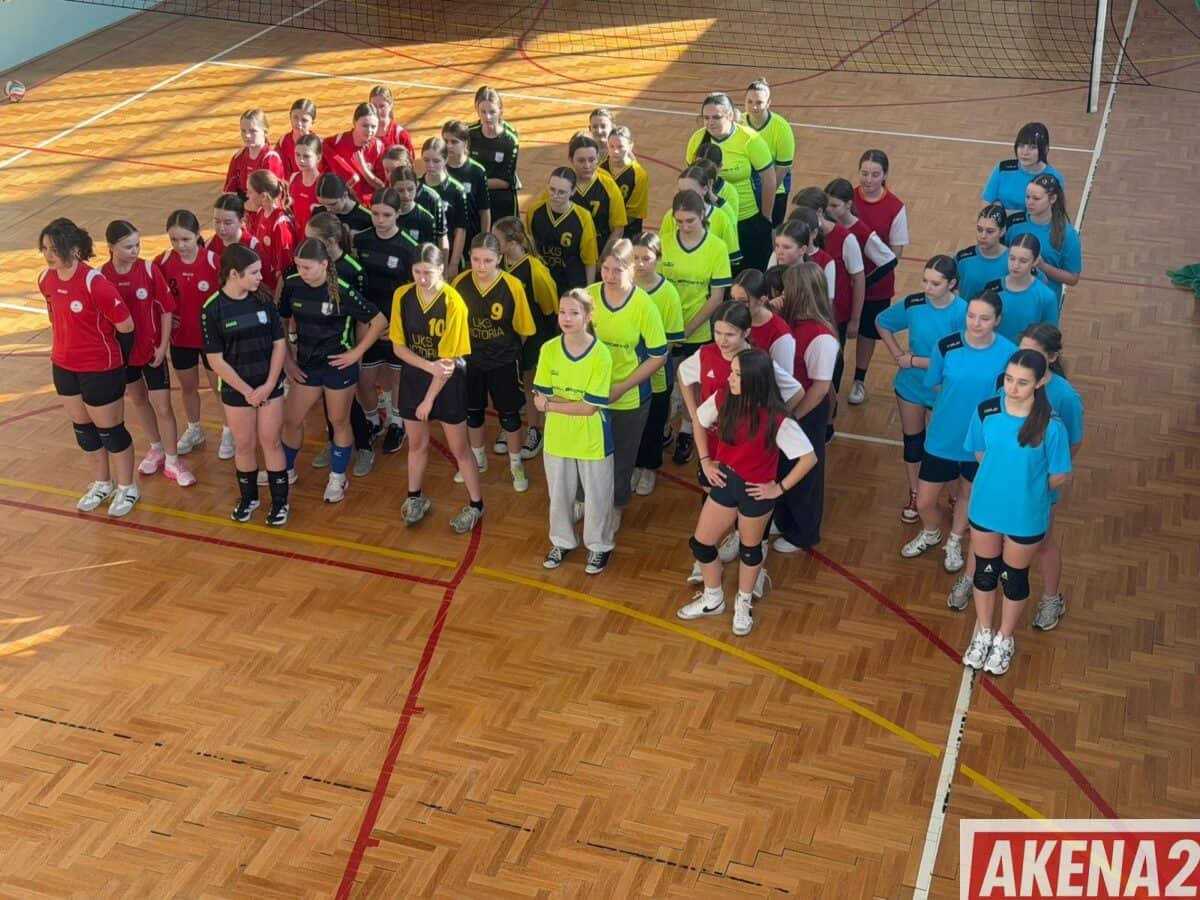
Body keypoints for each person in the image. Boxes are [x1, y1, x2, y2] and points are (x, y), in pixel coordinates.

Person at [676, 348, 816, 636]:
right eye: (732, 371)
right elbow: (699, 421)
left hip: (755, 491)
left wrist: (778, 488)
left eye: (737, 374)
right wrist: (706, 461)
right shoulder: (724, 398)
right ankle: (713, 598)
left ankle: (743, 603)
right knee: (701, 544)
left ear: (754, 380)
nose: (730, 378)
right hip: (726, 482)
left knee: (749, 551)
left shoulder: (778, 419)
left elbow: (808, 458)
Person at [960, 349, 1072, 676]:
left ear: (1040, 382)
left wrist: (1028, 489)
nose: (1012, 387)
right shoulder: (987, 410)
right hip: (985, 506)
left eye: (1022, 382)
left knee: (1013, 578)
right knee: (985, 572)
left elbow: (1059, 474)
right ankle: (984, 633)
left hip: (1025, 514)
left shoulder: (1051, 426)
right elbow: (980, 452)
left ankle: (1004, 638)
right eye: (1009, 379)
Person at [901, 291, 1017, 572]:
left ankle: (953, 541)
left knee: (967, 493)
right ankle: (931, 532)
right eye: (971, 316)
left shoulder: (1010, 353)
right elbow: (936, 383)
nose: (976, 323)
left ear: (997, 320)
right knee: (925, 501)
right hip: (943, 435)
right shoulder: (946, 345)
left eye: (984, 318)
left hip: (981, 440)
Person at [39, 218, 139, 516]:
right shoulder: (45, 279)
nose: (48, 255)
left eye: (54, 248)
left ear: (73, 249)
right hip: (64, 366)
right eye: (44, 248)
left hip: (100, 368)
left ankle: (127, 487)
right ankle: (101, 483)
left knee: (111, 432)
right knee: (84, 431)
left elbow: (126, 326)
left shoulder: (95, 284)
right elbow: (55, 316)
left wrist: (117, 364)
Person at [278, 238, 386, 502]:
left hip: (338, 367)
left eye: (307, 267)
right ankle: (286, 471)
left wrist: (356, 353)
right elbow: (281, 320)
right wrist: (288, 360)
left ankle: (338, 478)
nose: (302, 272)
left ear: (324, 264)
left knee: (339, 421)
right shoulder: (292, 285)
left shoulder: (342, 291)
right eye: (298, 266)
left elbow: (379, 321)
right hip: (306, 366)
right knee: (291, 419)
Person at [389, 243, 485, 533]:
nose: (422, 278)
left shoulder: (454, 303)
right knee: (416, 444)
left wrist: (428, 399)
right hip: (416, 376)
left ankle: (476, 504)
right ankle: (414, 497)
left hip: (448, 381)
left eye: (428, 272)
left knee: (459, 448)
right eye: (417, 272)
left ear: (441, 269)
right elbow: (398, 347)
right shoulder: (402, 295)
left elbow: (446, 363)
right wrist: (427, 367)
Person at [101, 220, 195, 488]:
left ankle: (173, 459)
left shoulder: (148, 270)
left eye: (137, 245)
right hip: (124, 355)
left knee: (163, 406)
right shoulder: (102, 276)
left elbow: (166, 309)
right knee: (139, 400)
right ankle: (156, 448)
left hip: (151, 352)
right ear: (111, 247)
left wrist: (163, 346)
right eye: (128, 247)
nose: (135, 251)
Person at [875, 255, 967, 523]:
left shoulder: (963, 312)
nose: (927, 288)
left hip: (944, 390)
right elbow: (882, 322)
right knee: (913, 443)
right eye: (925, 281)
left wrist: (913, 360)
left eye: (935, 283)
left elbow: (959, 358)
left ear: (952, 284)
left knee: (944, 446)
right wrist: (897, 354)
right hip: (912, 386)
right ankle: (915, 493)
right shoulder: (914, 304)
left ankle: (953, 494)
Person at [202, 244, 289, 525]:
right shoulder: (212, 309)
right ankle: (249, 498)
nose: (260, 277)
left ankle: (280, 503)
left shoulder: (264, 300)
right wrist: (247, 391)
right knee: (244, 445)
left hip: (269, 386)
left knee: (271, 442)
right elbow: (215, 360)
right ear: (233, 274)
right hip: (237, 390)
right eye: (253, 272)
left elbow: (279, 344)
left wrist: (269, 385)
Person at [587, 239, 668, 528]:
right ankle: (587, 500)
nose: (609, 276)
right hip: (592, 393)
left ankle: (616, 505)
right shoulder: (589, 295)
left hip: (629, 396)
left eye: (617, 270)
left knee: (622, 457)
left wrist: (622, 387)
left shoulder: (643, 305)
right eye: (605, 269)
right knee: (589, 453)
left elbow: (659, 355)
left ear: (631, 270)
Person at [535, 288, 617, 574]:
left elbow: (589, 408)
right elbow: (540, 395)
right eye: (562, 312)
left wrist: (552, 405)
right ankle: (562, 541)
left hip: (593, 439)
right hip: (557, 438)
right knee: (559, 495)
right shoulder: (548, 349)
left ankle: (599, 545)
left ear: (588, 316)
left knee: (598, 496)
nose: (566, 318)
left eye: (574, 312)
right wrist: (572, 402)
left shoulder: (601, 354)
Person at [450, 233, 536, 492]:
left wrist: (505, 349)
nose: (481, 266)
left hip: (504, 360)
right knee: (473, 412)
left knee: (509, 415)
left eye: (488, 260)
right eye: (476, 259)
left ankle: (516, 463)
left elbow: (523, 330)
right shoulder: (460, 282)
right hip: (471, 359)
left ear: (499, 258)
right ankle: (478, 458)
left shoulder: (512, 286)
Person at [659, 191, 732, 465]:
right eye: (679, 221)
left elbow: (716, 297)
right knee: (665, 384)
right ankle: (664, 428)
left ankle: (687, 432)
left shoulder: (716, 248)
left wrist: (687, 330)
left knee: (694, 386)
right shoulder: (664, 243)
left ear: (702, 215)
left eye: (690, 220)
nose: (684, 226)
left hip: (697, 331)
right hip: (666, 330)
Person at [773, 262, 838, 552]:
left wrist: (793, 417)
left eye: (787, 289)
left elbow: (820, 388)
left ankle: (803, 531)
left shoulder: (821, 336)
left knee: (805, 472)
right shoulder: (789, 322)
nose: (782, 295)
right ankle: (782, 518)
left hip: (806, 412)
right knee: (782, 465)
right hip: (787, 409)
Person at [354, 187, 419, 457]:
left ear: (398, 214)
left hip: (396, 326)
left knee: (396, 379)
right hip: (369, 324)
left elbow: (415, 294)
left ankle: (397, 423)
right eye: (375, 214)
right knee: (364, 378)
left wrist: (399, 325)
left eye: (386, 215)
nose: (380, 220)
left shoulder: (408, 248)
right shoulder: (361, 241)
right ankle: (372, 421)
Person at [492, 216, 559, 462]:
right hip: (504, 335)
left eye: (496, 239)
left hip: (532, 337)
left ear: (511, 243)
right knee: (508, 382)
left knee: (531, 385)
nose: (492, 242)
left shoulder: (535, 270)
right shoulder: (497, 263)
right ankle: (510, 426)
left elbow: (550, 309)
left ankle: (534, 429)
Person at [685, 92, 775, 271]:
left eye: (716, 117)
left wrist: (766, 216)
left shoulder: (750, 139)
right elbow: (691, 178)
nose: (710, 122)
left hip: (746, 218)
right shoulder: (697, 139)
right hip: (711, 218)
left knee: (751, 271)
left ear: (730, 115)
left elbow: (769, 180)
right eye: (706, 118)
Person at [849, 150, 909, 406]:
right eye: (864, 173)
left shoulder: (895, 207)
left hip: (876, 285)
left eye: (875, 174)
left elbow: (895, 254)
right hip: (845, 282)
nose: (868, 179)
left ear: (885, 175)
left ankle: (859, 380)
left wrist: (866, 281)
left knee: (866, 332)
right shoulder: (847, 198)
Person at [159, 210, 221, 458]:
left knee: (219, 388)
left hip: (211, 338)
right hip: (181, 338)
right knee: (188, 387)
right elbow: (156, 297)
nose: (180, 245)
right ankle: (195, 429)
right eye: (174, 240)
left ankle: (230, 431)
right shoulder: (163, 262)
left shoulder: (214, 262)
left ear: (197, 235)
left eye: (185, 239)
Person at [630, 232, 684, 496]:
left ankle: (649, 467)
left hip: (656, 372)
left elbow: (671, 340)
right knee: (632, 422)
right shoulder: (625, 285)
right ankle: (634, 464)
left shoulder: (668, 293)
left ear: (658, 259)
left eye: (646, 258)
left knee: (653, 422)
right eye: (635, 258)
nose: (640, 264)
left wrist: (650, 363)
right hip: (627, 372)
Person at [1005, 174, 1081, 304]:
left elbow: (1073, 278)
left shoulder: (1067, 235)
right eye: (1027, 197)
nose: (1030, 202)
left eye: (1036, 198)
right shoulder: (1014, 223)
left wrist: (1043, 266)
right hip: (1012, 297)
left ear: (1052, 199)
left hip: (1043, 302)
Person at [525, 166, 598, 295]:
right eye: (552, 189)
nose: (555, 195)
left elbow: (590, 259)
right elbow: (530, 246)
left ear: (573, 192)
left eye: (561, 192)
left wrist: (588, 291)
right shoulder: (534, 211)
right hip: (543, 278)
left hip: (571, 281)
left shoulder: (583, 217)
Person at [659, 164, 741, 270]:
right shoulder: (670, 216)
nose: (685, 196)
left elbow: (731, 259)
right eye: (681, 191)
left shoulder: (721, 218)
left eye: (690, 191)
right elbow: (662, 250)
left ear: (705, 189)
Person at [981, 122, 1065, 214]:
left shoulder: (1054, 178)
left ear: (1044, 150)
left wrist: (1002, 211)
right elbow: (986, 207)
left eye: (1032, 147)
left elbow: (1049, 215)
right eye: (1021, 146)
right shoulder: (1003, 168)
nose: (1025, 152)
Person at [990, 234, 1059, 341]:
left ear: (1035, 261)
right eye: (1012, 258)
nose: (1016, 265)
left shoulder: (1046, 297)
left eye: (1023, 261)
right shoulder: (992, 288)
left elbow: (1050, 339)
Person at [744, 79, 794, 226]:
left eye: (759, 102)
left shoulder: (782, 127)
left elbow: (783, 168)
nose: (754, 107)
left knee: (771, 228)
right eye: (749, 101)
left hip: (776, 183)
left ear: (768, 103)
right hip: (747, 184)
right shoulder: (738, 122)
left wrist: (766, 197)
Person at [567, 132, 627, 252]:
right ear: (571, 159)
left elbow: (618, 228)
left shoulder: (609, 186)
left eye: (591, 160)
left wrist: (604, 258)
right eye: (581, 160)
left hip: (600, 248)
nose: (587, 166)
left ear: (598, 158)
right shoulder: (560, 184)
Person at [469, 86, 521, 222]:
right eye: (483, 111)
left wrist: (474, 183)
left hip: (501, 199)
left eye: (492, 112)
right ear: (477, 110)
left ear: (500, 111)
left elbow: (505, 182)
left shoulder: (510, 139)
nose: (487, 117)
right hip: (476, 197)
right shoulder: (469, 134)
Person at [420, 137, 469, 275]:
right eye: (426, 160)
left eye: (436, 161)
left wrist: (453, 264)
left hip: (449, 253)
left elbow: (461, 230)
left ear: (446, 160)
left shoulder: (457, 190)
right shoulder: (417, 188)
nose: (430, 165)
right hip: (423, 256)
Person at [730, 268, 794, 372]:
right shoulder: (733, 319)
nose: (735, 306)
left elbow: (784, 377)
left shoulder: (779, 333)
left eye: (743, 301)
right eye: (733, 299)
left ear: (762, 301)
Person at [323, 103, 387, 206]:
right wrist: (346, 170)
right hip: (341, 203)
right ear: (354, 122)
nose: (369, 131)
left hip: (367, 205)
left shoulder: (379, 148)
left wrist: (364, 170)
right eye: (365, 125)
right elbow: (321, 147)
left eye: (373, 126)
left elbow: (382, 186)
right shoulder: (338, 141)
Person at [245, 169, 296, 295]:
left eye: (250, 191)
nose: (247, 195)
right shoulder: (261, 212)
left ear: (263, 196)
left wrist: (276, 299)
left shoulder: (280, 224)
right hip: (262, 283)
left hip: (273, 290)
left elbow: (285, 269)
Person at [443, 119, 492, 246]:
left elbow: (484, 210)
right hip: (446, 236)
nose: (449, 146)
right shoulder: (439, 169)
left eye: (454, 142)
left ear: (465, 143)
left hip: (471, 236)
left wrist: (484, 241)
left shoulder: (477, 171)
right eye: (445, 141)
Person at [223, 109, 285, 201]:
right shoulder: (238, 156)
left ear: (265, 132)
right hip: (246, 202)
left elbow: (269, 198)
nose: (247, 135)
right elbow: (229, 190)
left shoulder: (270, 159)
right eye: (243, 131)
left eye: (253, 131)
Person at [955, 204, 1010, 304]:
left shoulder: (1013, 260)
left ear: (1002, 231)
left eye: (990, 231)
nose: (983, 236)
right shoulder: (963, 258)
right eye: (979, 230)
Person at [602, 126, 649, 236]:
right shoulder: (600, 169)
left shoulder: (639, 175)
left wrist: (615, 228)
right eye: (611, 146)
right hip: (603, 227)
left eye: (620, 147)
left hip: (629, 229)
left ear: (630, 146)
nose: (615, 151)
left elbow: (633, 213)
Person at [289, 134, 326, 236]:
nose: (301, 160)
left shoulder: (323, 184)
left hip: (314, 240)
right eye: (297, 154)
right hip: (297, 239)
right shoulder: (293, 178)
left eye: (306, 156)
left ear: (318, 158)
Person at [368, 85, 415, 156]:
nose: (378, 111)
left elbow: (409, 161)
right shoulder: (364, 132)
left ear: (390, 106)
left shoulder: (401, 135)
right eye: (374, 106)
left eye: (382, 106)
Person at [276, 98, 317, 179]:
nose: (299, 123)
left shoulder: (317, 145)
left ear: (312, 122)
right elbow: (278, 169)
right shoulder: (283, 141)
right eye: (295, 117)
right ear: (290, 117)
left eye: (304, 120)